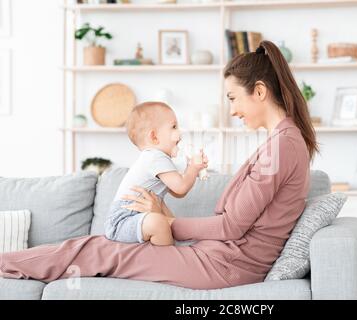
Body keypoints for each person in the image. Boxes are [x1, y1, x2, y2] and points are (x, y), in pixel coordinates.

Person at [0, 40, 319, 290]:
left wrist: (166, 222)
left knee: (98, 249)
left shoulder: (282, 147)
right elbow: (235, 223)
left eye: (233, 98)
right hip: (220, 256)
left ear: (259, 91)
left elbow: (231, 227)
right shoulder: (282, 143)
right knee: (97, 246)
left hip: (226, 266)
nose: (232, 110)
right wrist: (164, 219)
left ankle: (5, 264)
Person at [104, 102, 208, 246]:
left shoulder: (159, 160)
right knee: (158, 223)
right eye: (174, 127)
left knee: (161, 222)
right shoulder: (155, 157)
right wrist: (193, 168)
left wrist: (190, 170)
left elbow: (178, 192)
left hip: (136, 216)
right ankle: (168, 259)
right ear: (154, 137)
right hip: (123, 220)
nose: (180, 133)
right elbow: (181, 187)